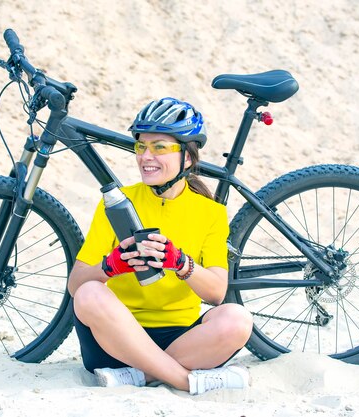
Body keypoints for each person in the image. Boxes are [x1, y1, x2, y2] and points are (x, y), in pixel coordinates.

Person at [68, 97, 253, 395]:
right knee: (90, 292)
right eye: (141, 146)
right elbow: (75, 286)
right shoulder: (118, 203)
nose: (145, 156)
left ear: (188, 158)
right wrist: (110, 266)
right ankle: (183, 380)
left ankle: (140, 375)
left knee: (237, 319)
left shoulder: (211, 212)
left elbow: (217, 293)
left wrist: (181, 262)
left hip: (181, 338)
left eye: (159, 147)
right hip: (114, 339)